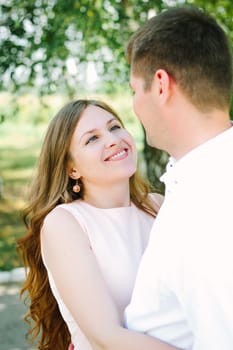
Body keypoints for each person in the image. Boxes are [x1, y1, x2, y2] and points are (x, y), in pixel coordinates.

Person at [17, 99, 179, 350]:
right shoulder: (65, 223)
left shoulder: (157, 206)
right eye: (91, 139)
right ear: (72, 169)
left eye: (114, 127)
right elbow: (106, 338)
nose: (112, 139)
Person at [124, 5, 233, 350]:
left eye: (133, 90)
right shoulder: (203, 178)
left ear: (160, 85)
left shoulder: (205, 206)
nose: (134, 106)